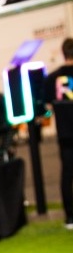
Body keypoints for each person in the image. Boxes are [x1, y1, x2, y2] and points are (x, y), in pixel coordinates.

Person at [42, 38, 73, 229]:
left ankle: (70, 217)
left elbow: (47, 107)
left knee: (67, 174)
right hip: (66, 134)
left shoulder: (52, 78)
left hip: (65, 133)